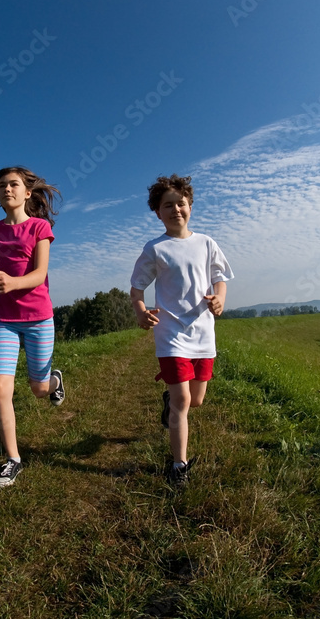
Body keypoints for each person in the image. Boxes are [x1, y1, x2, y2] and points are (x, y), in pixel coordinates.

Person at [129, 174, 233, 486]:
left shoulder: (206, 243)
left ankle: (170, 402)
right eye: (168, 205)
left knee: (196, 399)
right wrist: (141, 312)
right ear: (157, 212)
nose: (176, 209)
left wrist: (220, 300)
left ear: (190, 206)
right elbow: (136, 289)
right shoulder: (155, 248)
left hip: (203, 333)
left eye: (181, 203)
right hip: (171, 334)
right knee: (183, 401)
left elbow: (220, 277)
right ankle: (178, 466)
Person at [0, 166, 66, 487]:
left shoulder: (39, 228)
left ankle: (54, 382)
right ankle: (13, 459)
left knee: (38, 389)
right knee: (0, 389)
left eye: (13, 184)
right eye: (1, 185)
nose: (7, 189)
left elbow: (39, 274)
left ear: (27, 192)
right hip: (4, 321)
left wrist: (9, 283)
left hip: (39, 319)